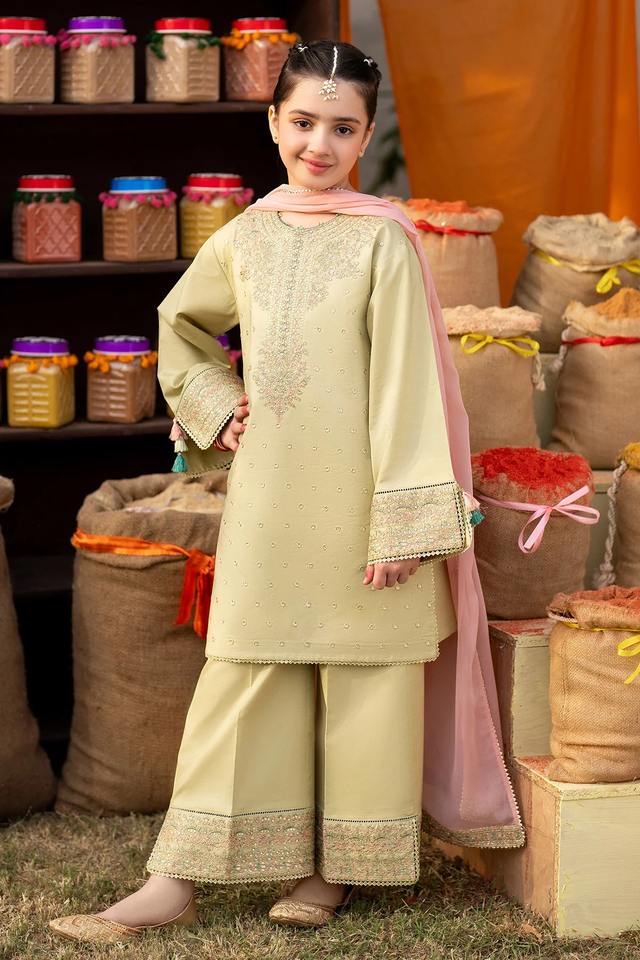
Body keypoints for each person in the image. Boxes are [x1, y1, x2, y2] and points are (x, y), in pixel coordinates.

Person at [49, 39, 523, 944]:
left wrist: (404, 523)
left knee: (364, 680)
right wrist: (214, 402)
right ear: (273, 124)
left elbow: (409, 386)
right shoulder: (245, 235)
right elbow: (182, 324)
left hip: (368, 504)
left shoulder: (383, 239)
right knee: (244, 666)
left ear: (366, 136)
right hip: (271, 496)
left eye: (342, 128)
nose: (319, 144)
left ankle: (330, 871)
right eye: (303, 122)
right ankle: (174, 879)